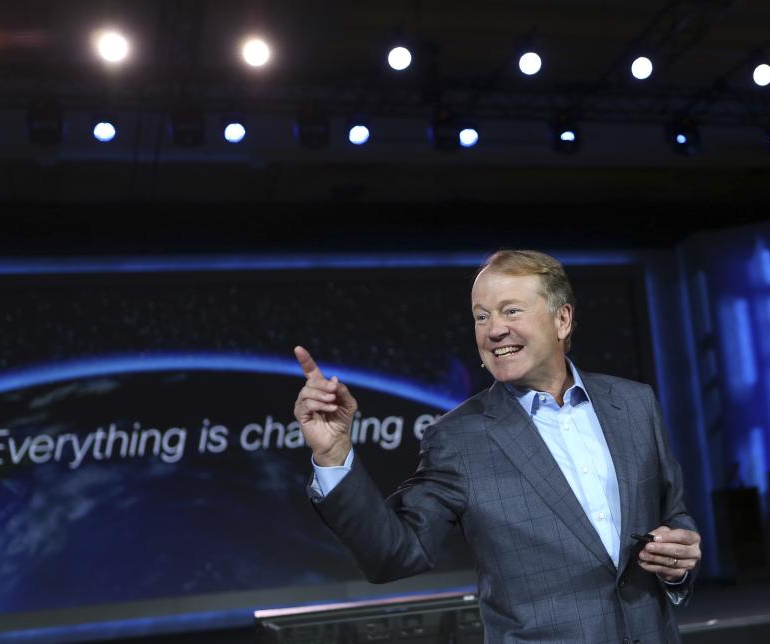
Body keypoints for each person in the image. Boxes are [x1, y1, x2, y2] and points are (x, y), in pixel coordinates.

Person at [294, 250, 701, 644]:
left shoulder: (633, 404)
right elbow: (394, 554)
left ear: (562, 319)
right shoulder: (459, 438)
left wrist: (678, 560)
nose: (494, 330)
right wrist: (333, 455)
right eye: (481, 316)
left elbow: (674, 516)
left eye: (511, 311)